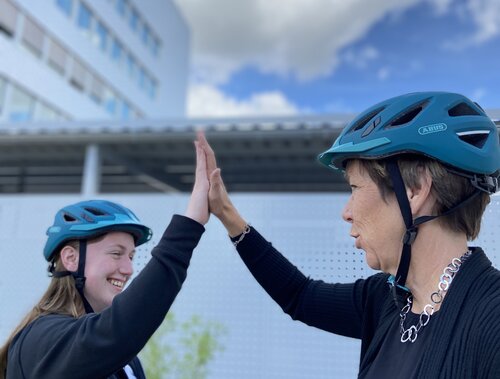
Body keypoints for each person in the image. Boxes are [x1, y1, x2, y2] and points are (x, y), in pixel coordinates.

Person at [199, 91, 500, 378]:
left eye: (355, 188)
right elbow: (299, 296)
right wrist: (227, 214)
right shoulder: (386, 299)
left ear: (415, 189)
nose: (347, 212)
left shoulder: (491, 318)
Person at [0, 137, 210, 379]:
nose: (129, 268)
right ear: (70, 258)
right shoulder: (42, 339)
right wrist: (190, 224)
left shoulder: (126, 361)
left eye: (131, 256)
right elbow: (117, 330)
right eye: (116, 253)